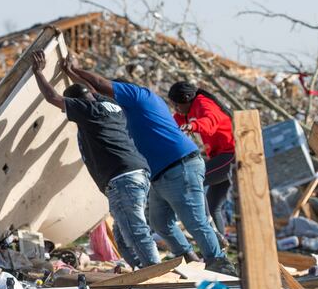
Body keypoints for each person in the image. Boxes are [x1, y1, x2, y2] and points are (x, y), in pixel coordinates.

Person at [60, 56, 236, 275]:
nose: (105, 98)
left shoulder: (138, 95)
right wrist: (72, 77)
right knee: (161, 223)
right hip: (160, 174)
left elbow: (98, 84)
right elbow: (93, 94)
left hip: (179, 166)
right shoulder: (125, 111)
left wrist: (76, 70)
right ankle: (190, 258)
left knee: (194, 220)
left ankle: (219, 263)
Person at [30, 50, 160, 268]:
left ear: (77, 103)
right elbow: (89, 89)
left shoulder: (88, 111)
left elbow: (53, 98)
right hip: (136, 173)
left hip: (122, 177)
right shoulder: (109, 105)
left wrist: (38, 73)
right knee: (122, 235)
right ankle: (141, 270)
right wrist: (70, 71)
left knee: (135, 229)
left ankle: (155, 271)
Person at [168, 82, 236, 247]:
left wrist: (192, 126)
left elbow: (210, 122)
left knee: (196, 179)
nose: (175, 108)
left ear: (186, 99)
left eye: (176, 104)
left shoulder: (204, 103)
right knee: (214, 206)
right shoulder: (184, 113)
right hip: (219, 156)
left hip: (231, 154)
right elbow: (172, 126)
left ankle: (210, 228)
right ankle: (221, 249)